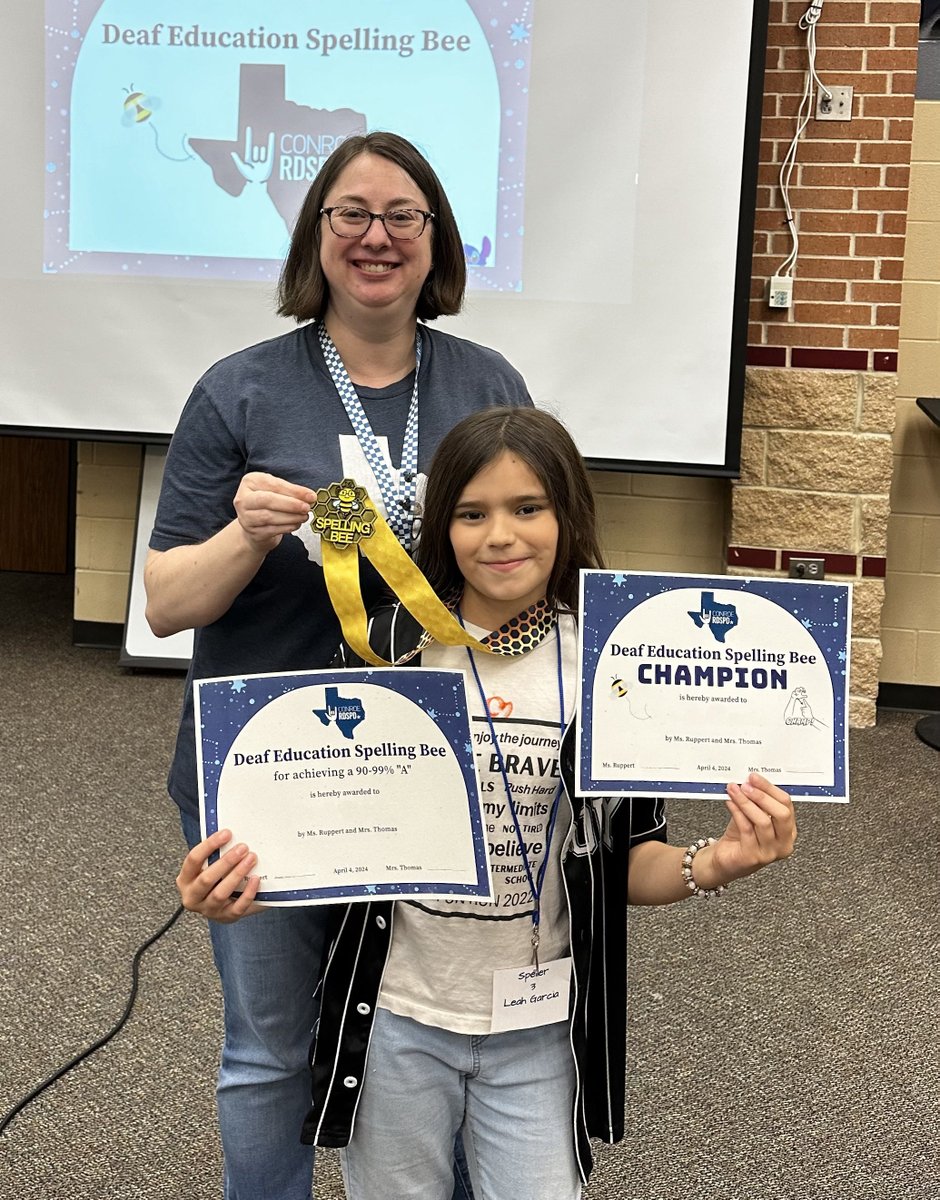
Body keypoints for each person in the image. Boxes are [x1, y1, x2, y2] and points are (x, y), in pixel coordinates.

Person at [149, 131, 531, 1200]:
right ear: (316, 235)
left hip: (434, 771)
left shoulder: (486, 382)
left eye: (401, 216)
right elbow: (169, 603)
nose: (376, 236)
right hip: (266, 774)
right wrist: (245, 534)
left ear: (434, 240)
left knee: (438, 1038)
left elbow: (527, 566)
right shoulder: (240, 392)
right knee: (271, 1049)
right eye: (350, 214)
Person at [288, 407, 795, 1199]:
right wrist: (248, 876)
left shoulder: (610, 665)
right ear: (439, 526)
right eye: (471, 513)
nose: (501, 536)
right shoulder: (387, 647)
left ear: (568, 515)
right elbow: (325, 824)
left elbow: (629, 861)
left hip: (538, 1031)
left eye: (529, 508)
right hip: (395, 1021)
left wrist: (719, 860)